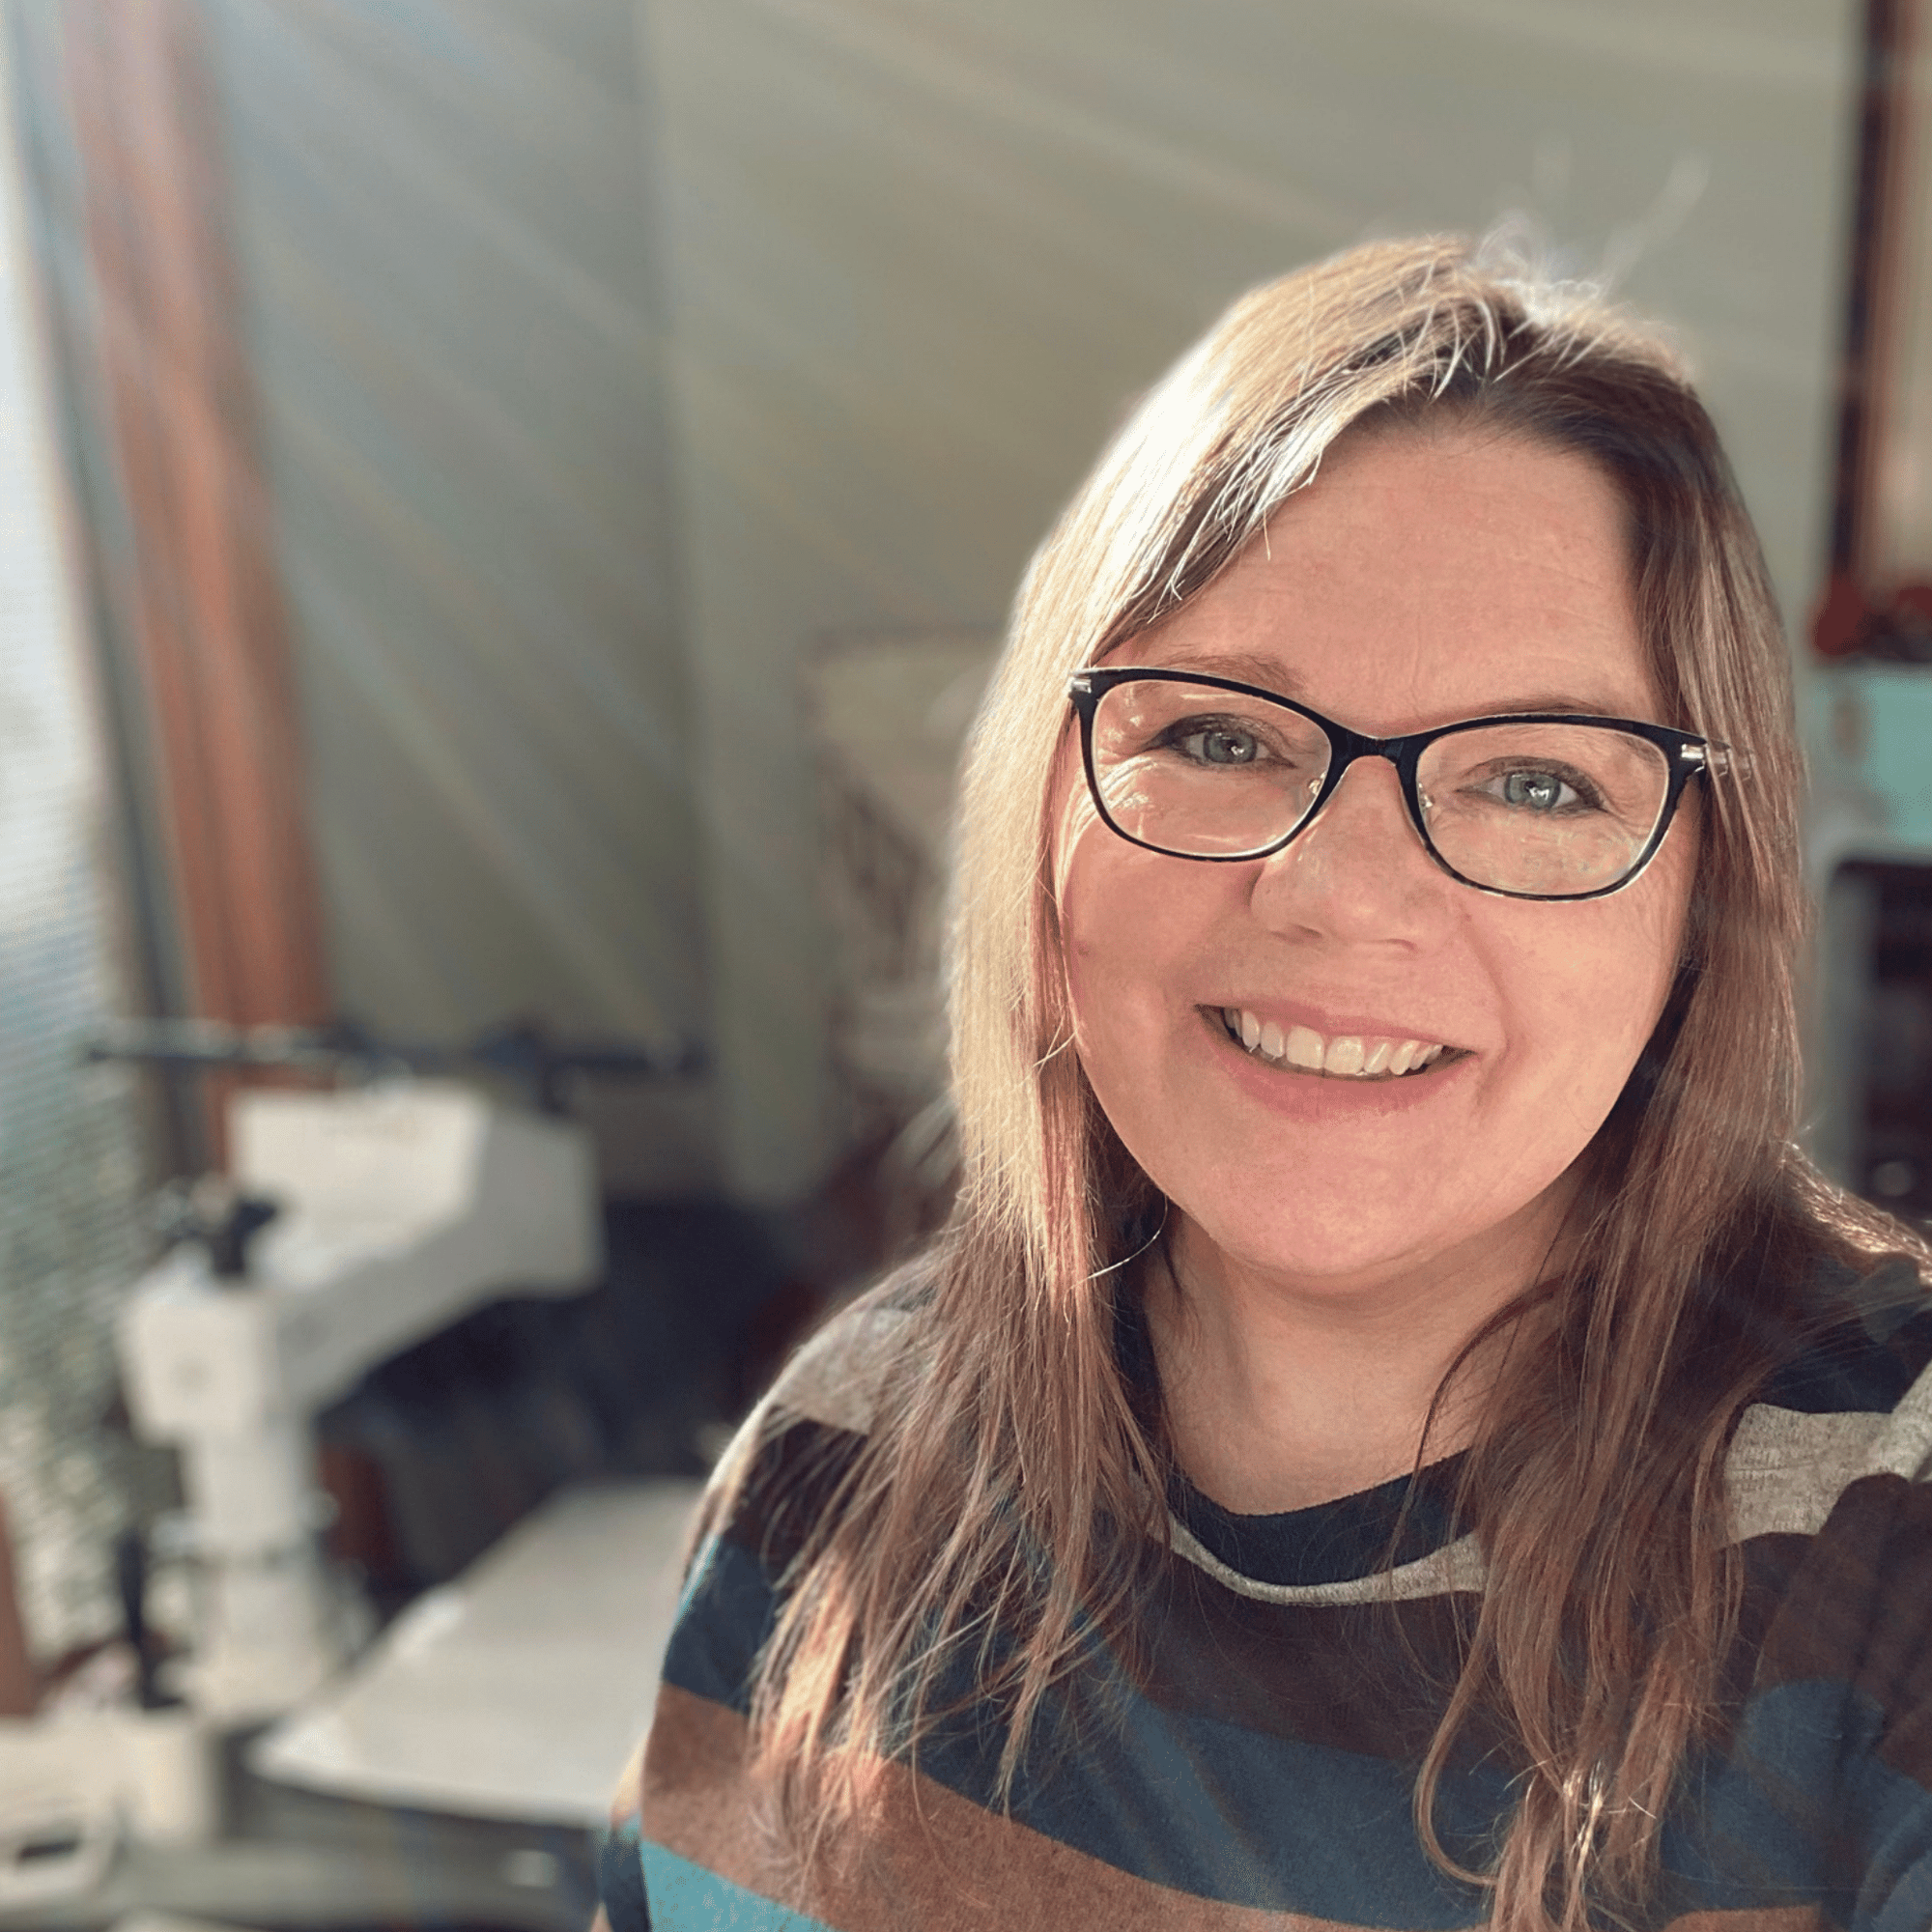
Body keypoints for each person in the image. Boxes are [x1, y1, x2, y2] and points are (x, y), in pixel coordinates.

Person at [598, 235, 1932, 1931]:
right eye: (1222, 735)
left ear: (1698, 907)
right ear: (1050, 812)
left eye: (1536, 779)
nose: (1343, 895)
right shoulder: (847, 1438)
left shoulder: (1890, 1527)